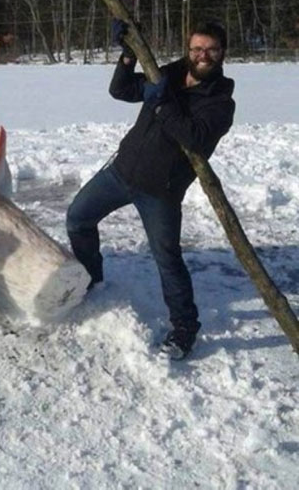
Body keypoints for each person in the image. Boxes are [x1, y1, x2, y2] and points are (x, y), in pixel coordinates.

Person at [66, 21, 235, 360]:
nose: (202, 55)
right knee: (78, 218)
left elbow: (194, 137)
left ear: (222, 53)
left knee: (167, 259)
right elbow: (121, 90)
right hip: (121, 171)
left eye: (211, 50)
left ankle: (185, 328)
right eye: (197, 49)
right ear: (188, 50)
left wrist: (161, 104)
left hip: (161, 191)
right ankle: (92, 280)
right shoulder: (168, 74)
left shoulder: (220, 102)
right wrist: (128, 57)